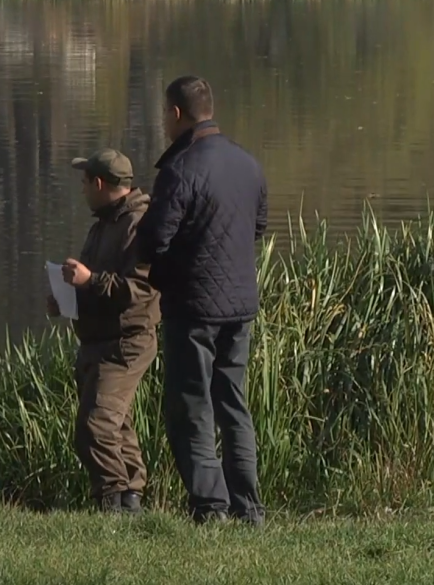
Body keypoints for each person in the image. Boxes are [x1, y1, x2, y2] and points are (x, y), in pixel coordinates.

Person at [136, 75, 268, 525]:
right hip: (241, 305)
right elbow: (259, 227)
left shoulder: (182, 169)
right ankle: (248, 508)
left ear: (176, 114)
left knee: (192, 404)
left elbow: (152, 240)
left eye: (164, 115)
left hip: (193, 307)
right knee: (234, 403)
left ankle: (210, 508)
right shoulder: (248, 164)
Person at [46, 148, 161, 514]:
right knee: (117, 426)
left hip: (125, 343)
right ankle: (131, 505)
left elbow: (140, 290)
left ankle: (111, 505)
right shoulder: (104, 224)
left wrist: (90, 279)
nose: (82, 190)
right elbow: (97, 285)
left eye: (84, 182)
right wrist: (67, 298)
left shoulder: (140, 225)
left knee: (94, 427)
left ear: (99, 183)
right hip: (98, 340)